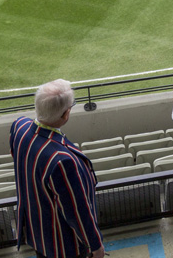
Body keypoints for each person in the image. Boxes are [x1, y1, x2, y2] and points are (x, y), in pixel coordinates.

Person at [10, 80, 103, 258]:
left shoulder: (19, 127)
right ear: (65, 114)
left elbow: (18, 156)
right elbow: (77, 211)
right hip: (63, 246)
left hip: (37, 234)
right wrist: (96, 245)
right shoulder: (62, 161)